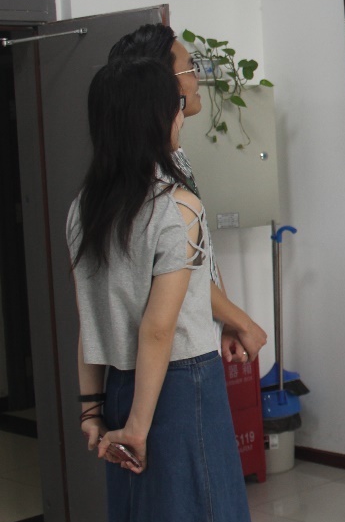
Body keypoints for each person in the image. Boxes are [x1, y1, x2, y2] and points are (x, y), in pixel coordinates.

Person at [68, 57, 261, 522]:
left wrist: (92, 409)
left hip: (118, 384)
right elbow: (158, 328)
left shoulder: (84, 208)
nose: (181, 114)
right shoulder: (177, 207)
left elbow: (90, 318)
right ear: (157, 118)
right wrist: (138, 427)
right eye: (175, 106)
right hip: (179, 388)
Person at [108, 23, 268, 364]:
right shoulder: (150, 173)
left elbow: (201, 256)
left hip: (197, 340)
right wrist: (243, 322)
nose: (197, 80)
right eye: (191, 69)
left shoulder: (173, 156)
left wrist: (225, 320)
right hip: (179, 355)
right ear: (162, 84)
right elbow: (180, 270)